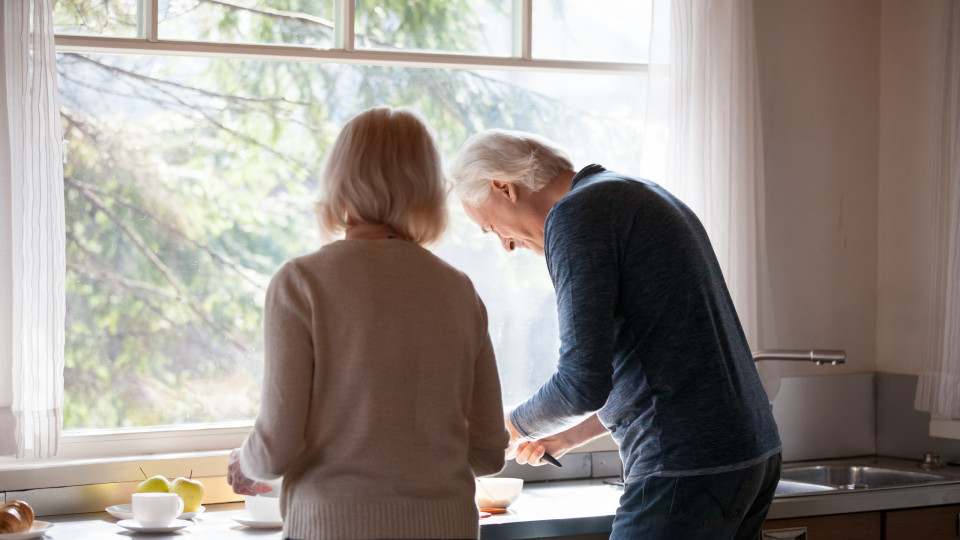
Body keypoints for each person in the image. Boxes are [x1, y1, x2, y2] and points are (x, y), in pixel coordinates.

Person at [448, 129, 782, 539]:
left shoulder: (576, 216)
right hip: (751, 456)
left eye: (490, 226)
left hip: (685, 467)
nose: (505, 245)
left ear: (505, 187)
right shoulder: (638, 193)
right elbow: (663, 367)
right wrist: (568, 435)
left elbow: (581, 383)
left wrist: (505, 429)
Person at [227, 107, 509, 540]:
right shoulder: (458, 290)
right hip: (447, 526)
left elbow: (273, 452)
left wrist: (245, 463)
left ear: (338, 179)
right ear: (429, 187)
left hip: (334, 526)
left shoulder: (301, 283)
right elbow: (489, 453)